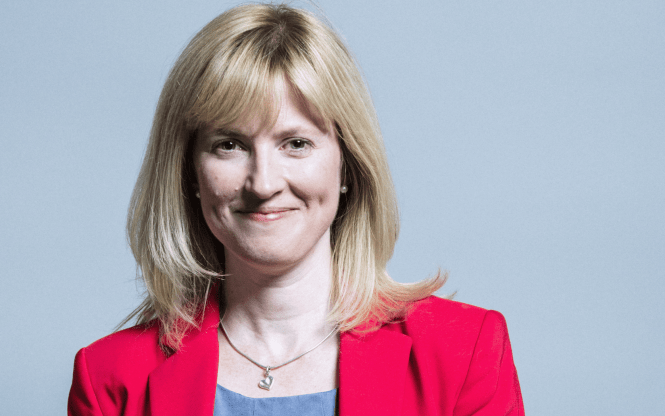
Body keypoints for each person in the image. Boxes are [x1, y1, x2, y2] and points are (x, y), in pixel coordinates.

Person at [68, 3, 524, 415]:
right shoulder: (109, 378)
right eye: (229, 145)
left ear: (348, 163)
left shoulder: (464, 353)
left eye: (296, 143)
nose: (263, 182)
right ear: (189, 172)